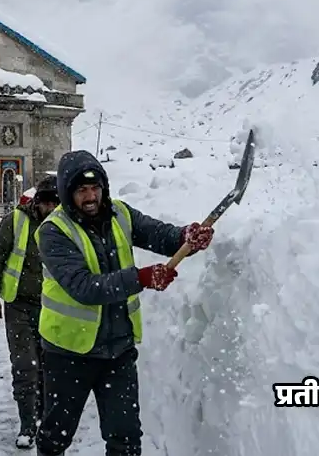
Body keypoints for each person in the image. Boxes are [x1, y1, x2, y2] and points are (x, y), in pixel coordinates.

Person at [35, 150, 215, 456]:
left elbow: (159, 234)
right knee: (56, 436)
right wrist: (141, 278)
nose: (91, 197)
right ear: (67, 193)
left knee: (126, 438)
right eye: (81, 190)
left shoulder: (120, 213)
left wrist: (186, 236)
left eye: (95, 188)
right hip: (68, 352)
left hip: (117, 350)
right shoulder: (53, 232)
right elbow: (84, 287)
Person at [0, 174, 60, 449]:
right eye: (46, 203)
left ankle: (43, 419)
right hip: (18, 305)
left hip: (53, 308)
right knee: (25, 367)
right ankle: (28, 425)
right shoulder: (16, 221)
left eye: (55, 203)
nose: (50, 209)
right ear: (37, 203)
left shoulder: (66, 225)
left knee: (48, 368)